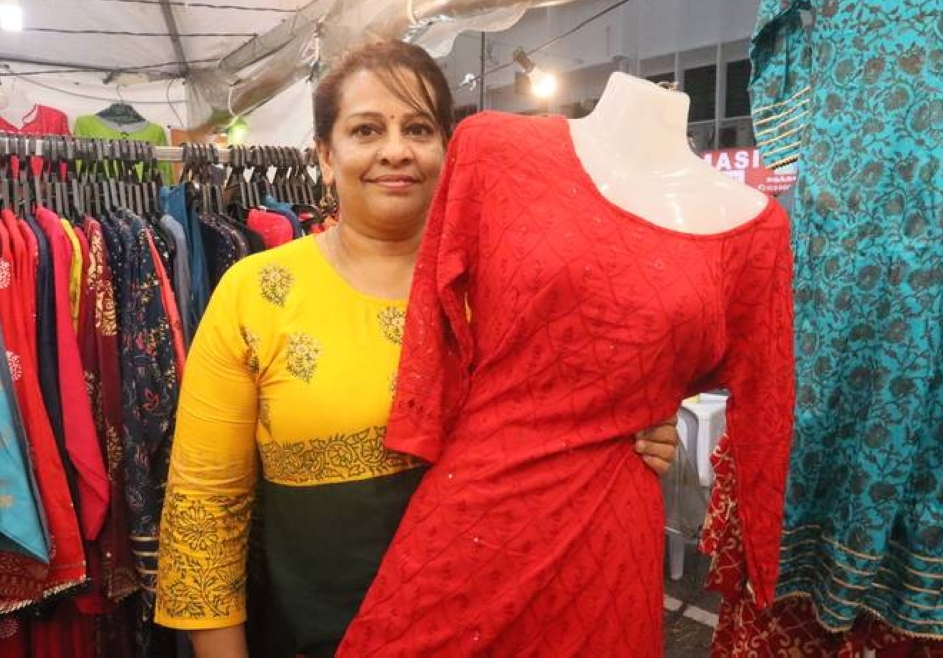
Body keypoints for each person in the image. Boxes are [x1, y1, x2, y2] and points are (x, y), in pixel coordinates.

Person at [154, 40, 679, 658]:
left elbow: (591, 414)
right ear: (325, 155)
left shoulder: (514, 291)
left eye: (419, 128)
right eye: (366, 129)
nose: (396, 150)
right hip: (319, 637)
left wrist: (645, 432)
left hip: (511, 627)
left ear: (449, 151)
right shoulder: (254, 295)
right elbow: (204, 508)